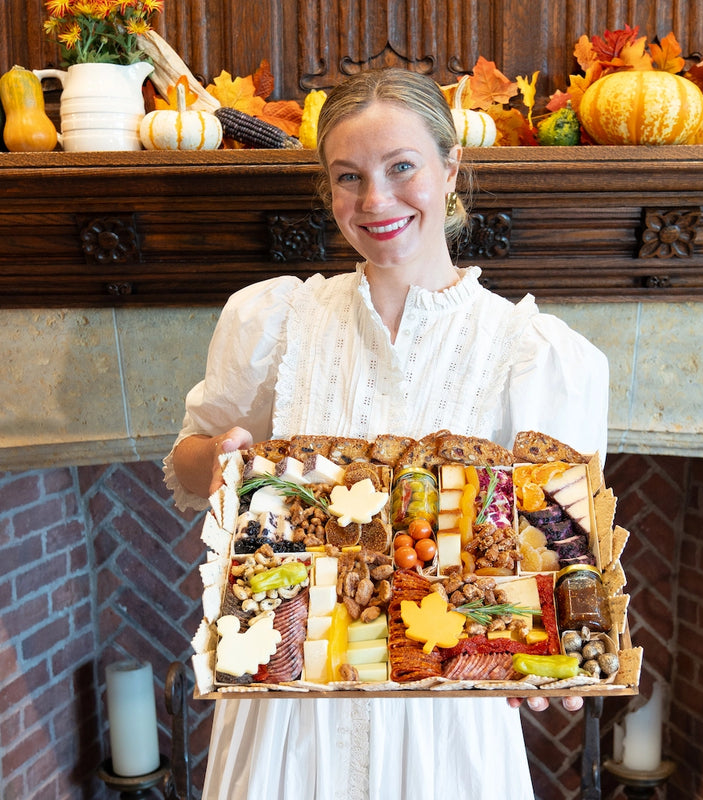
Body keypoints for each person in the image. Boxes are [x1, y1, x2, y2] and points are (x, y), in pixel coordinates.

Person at [165, 67, 609, 800]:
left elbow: (562, 549)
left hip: (444, 723)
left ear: (449, 166)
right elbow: (187, 469)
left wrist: (558, 648)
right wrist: (218, 460)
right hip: (287, 710)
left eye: (402, 168)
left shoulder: (533, 351)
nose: (375, 201)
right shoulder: (272, 321)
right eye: (349, 177)